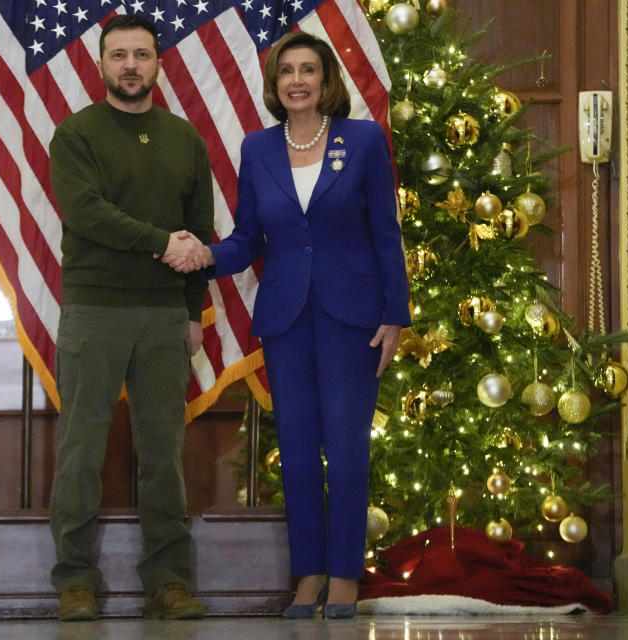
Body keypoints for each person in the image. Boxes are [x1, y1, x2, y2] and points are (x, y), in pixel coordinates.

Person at [163, 31, 411, 618]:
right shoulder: (259, 149)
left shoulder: (365, 139)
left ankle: (346, 575)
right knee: (298, 452)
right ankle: (309, 575)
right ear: (275, 85)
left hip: (354, 318)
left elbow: (386, 233)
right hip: (285, 318)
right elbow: (250, 238)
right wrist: (205, 254)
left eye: (308, 70)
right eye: (286, 73)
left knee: (347, 450)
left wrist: (394, 316)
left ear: (326, 81)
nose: (297, 80)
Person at [47, 14, 212, 622]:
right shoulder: (76, 134)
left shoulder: (186, 139)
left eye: (141, 54)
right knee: (81, 451)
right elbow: (87, 213)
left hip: (165, 316)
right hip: (95, 311)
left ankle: (168, 580)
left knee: (163, 454)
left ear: (159, 63)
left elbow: (199, 231)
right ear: (100, 65)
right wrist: (162, 243)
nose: (130, 66)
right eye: (119, 55)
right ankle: (75, 582)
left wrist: (192, 310)